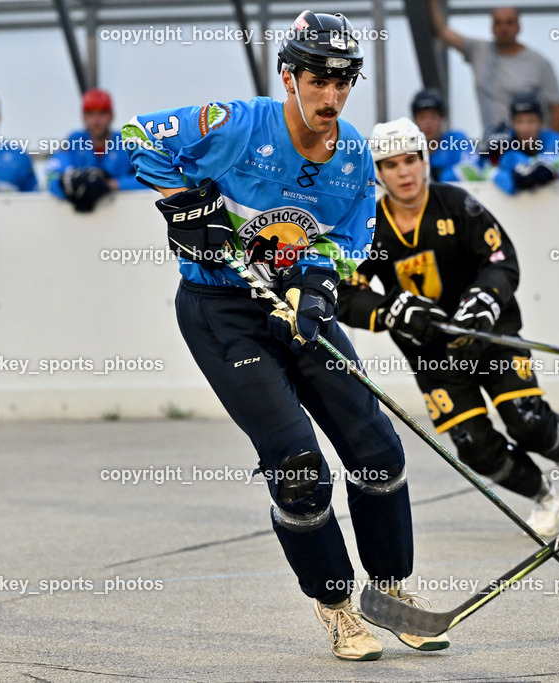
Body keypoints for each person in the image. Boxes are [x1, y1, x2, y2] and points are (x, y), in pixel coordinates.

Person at [121, 10, 448, 661]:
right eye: (318, 80)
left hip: (296, 305)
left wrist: (321, 282)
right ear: (288, 76)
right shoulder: (237, 125)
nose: (331, 97)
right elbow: (136, 135)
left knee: (377, 447)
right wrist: (184, 202)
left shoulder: (352, 154)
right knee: (298, 465)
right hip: (222, 312)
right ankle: (336, 606)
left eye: (343, 82)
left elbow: (351, 236)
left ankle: (390, 590)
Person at [338, 117, 559, 537]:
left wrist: (484, 297)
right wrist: (392, 309)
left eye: (411, 160)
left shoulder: (458, 204)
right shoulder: (368, 224)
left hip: (488, 338)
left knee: (525, 419)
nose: (403, 172)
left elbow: (500, 260)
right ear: (378, 172)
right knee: (473, 445)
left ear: (425, 160)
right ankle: (543, 494)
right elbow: (344, 289)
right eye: (390, 164)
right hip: (431, 356)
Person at [427, 1, 559, 133]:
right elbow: (443, 31)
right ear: (492, 27)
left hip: (527, 150)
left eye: (509, 23)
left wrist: (547, 150)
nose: (504, 28)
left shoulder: (538, 63)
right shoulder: (479, 51)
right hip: (493, 147)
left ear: (518, 27)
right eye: (498, 23)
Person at [46, 88, 141, 212]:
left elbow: (151, 178)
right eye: (90, 114)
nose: (96, 120)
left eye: (102, 113)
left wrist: (111, 185)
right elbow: (51, 177)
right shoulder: (74, 141)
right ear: (83, 117)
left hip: (123, 215)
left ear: (111, 116)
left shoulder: (126, 143)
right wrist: (70, 186)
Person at [491, 91, 559, 195]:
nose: (525, 128)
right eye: (519, 121)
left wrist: (518, 169)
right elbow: (492, 172)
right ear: (512, 124)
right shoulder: (506, 141)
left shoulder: (553, 139)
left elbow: (546, 168)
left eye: (531, 121)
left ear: (541, 122)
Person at [409, 88, 477, 182]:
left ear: (441, 119)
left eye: (433, 117)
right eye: (422, 117)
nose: (428, 123)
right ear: (415, 121)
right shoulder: (406, 148)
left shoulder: (457, 140)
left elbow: (473, 168)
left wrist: (440, 179)